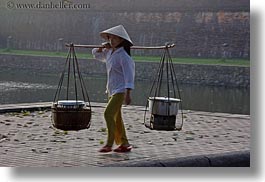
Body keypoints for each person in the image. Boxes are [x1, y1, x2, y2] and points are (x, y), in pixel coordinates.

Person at [92, 25, 135, 153]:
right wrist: (101, 48)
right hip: (111, 89)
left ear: (121, 40)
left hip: (120, 90)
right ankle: (125, 143)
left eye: (115, 39)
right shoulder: (110, 53)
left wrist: (128, 93)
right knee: (117, 118)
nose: (112, 41)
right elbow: (96, 55)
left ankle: (109, 144)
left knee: (108, 114)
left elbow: (129, 75)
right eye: (111, 38)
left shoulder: (124, 57)